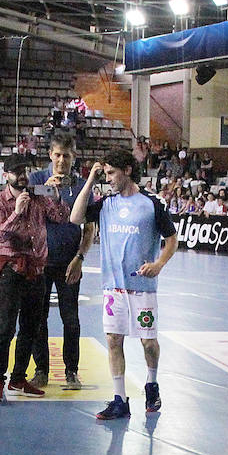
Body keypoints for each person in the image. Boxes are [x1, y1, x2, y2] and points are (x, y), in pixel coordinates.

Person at [69, 148, 178, 419]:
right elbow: (75, 217)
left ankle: (151, 383)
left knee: (148, 343)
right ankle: (120, 399)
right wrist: (91, 180)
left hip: (142, 288)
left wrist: (158, 264)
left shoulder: (152, 205)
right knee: (113, 340)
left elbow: (172, 239)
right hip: (113, 289)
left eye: (111, 173)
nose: (108, 179)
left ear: (127, 170)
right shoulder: (106, 204)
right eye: (105, 174)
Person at [0, 153, 69, 400]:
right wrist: (17, 212)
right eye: (16, 171)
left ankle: (18, 378)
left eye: (25, 170)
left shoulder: (38, 196)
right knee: (6, 328)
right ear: (6, 175)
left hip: (37, 270)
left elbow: (62, 217)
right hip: (12, 270)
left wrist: (55, 195)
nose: (22, 175)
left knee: (30, 328)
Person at [28, 131, 87, 390]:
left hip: (69, 263)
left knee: (70, 319)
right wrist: (46, 190)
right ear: (50, 155)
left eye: (66, 156)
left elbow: (90, 228)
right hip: (40, 262)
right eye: (57, 155)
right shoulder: (37, 179)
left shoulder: (82, 186)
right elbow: (26, 205)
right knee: (38, 319)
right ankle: (41, 370)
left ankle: (71, 371)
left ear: (73, 157)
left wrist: (80, 258)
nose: (61, 160)